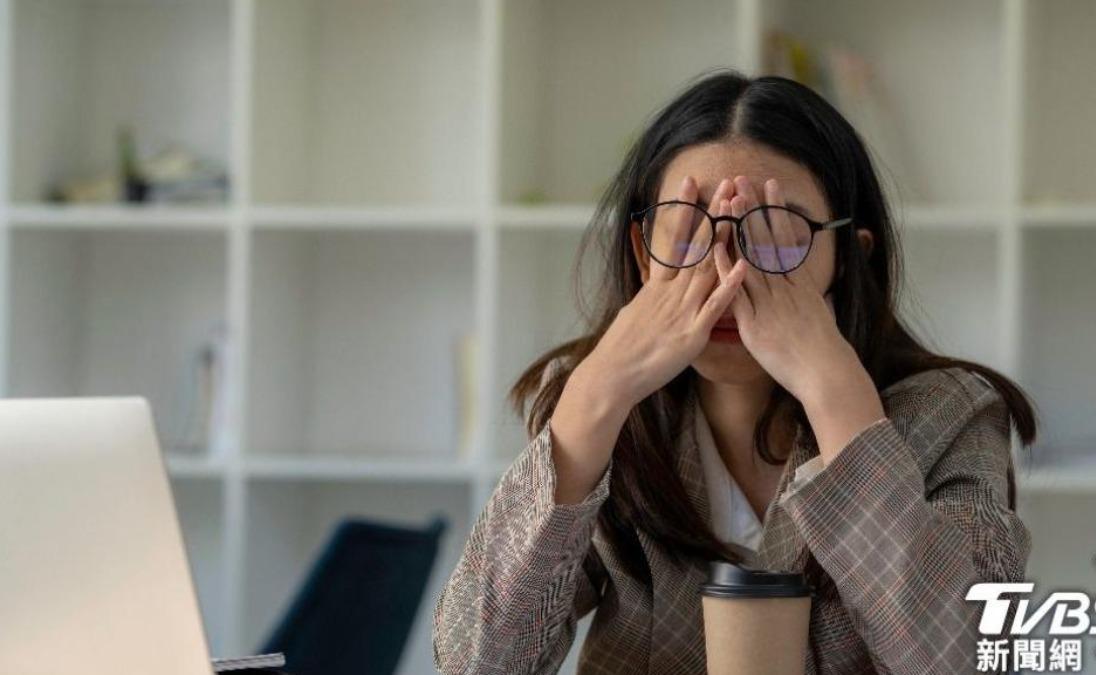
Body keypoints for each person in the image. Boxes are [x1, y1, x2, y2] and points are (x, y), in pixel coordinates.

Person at [432, 69, 1035, 674]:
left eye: (774, 235)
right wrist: (594, 397)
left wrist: (836, 396)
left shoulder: (951, 414)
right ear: (644, 255)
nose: (728, 275)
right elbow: (475, 663)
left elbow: (977, 660)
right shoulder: (600, 414)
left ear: (849, 258)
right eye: (691, 230)